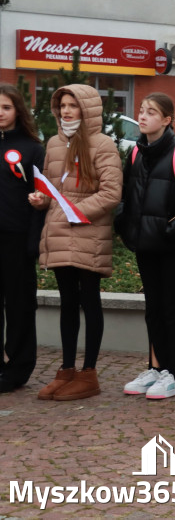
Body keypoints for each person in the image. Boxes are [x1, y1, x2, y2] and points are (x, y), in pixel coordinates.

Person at [116, 93, 175, 400]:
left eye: (151, 112)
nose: (143, 116)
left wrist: (172, 231)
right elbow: (124, 197)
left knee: (171, 307)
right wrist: (126, 228)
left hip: (172, 247)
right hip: (145, 244)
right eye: (141, 111)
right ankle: (156, 368)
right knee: (153, 308)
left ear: (167, 120)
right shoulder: (135, 154)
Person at [30, 85, 122, 401]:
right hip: (58, 231)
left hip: (88, 232)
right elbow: (50, 186)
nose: (67, 111)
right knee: (67, 302)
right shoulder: (54, 143)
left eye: (73, 105)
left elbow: (111, 193)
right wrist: (41, 199)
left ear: (87, 109)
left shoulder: (103, 144)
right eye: (63, 106)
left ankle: (89, 374)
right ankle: (67, 370)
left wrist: (75, 210)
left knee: (89, 300)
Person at [0, 84, 45, 394]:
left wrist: (34, 241)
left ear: (18, 111)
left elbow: (41, 198)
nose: (0, 113)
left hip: (16, 239)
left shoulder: (31, 148)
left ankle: (18, 368)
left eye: (5, 107)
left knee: (19, 306)